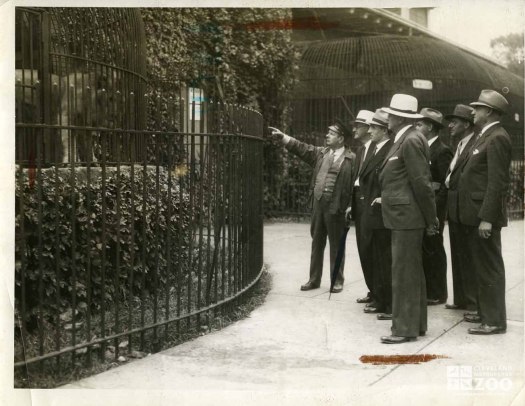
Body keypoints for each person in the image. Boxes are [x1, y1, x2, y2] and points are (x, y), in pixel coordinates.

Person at [268, 120, 356, 293]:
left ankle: (337, 280)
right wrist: (284, 137)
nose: (327, 135)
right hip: (318, 205)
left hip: (336, 207)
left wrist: (351, 206)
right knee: (317, 242)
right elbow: (302, 148)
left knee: (336, 245)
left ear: (341, 138)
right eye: (328, 132)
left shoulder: (351, 159)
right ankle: (314, 280)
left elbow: (356, 184)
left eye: (331, 133)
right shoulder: (321, 154)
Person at [379, 94, 438, 344]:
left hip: (407, 216)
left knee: (404, 273)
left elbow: (421, 183)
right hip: (404, 215)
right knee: (411, 272)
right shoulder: (405, 138)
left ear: (399, 117)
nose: (387, 118)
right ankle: (416, 324)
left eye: (390, 114)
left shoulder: (411, 140)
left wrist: (431, 218)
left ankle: (404, 328)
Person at [458, 90, 511, 335]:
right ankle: (484, 312)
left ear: (489, 111)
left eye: (478, 108)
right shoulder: (485, 135)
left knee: (489, 266)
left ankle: (494, 321)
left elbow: (496, 182)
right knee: (480, 265)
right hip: (474, 214)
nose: (473, 111)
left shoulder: (497, 137)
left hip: (483, 215)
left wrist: (488, 218)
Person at [355, 109, 393, 319]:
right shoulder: (378, 148)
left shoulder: (387, 148)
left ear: (383, 130)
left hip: (380, 211)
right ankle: (379, 298)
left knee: (383, 259)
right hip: (371, 210)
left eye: (373, 128)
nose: (369, 131)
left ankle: (385, 301)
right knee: (377, 257)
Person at [415, 108, 453, 305]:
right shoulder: (421, 146)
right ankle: (429, 289)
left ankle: (438, 292)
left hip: (434, 208)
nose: (417, 127)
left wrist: (436, 211)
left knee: (434, 247)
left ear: (429, 127)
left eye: (420, 124)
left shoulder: (442, 150)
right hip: (421, 206)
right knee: (425, 248)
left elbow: (444, 184)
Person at [444, 104, 478, 311]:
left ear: (466, 124)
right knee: (458, 254)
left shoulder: (473, 144)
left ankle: (473, 303)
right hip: (455, 208)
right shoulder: (460, 145)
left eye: (454, 122)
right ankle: (462, 299)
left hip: (466, 208)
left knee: (469, 256)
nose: (450, 126)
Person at [348, 110, 376, 305]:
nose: (354, 129)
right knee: (363, 248)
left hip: (370, 203)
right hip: (359, 202)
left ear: (368, 127)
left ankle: (378, 293)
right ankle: (372, 290)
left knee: (371, 248)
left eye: (359, 125)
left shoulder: (377, 149)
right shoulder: (361, 150)